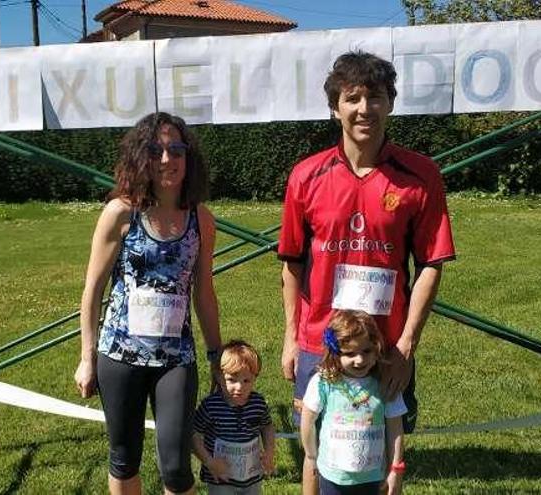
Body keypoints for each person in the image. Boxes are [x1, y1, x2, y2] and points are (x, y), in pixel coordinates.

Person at [277, 51, 455, 492]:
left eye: (374, 97)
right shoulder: (305, 175)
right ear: (335, 106)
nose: (364, 109)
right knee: (316, 450)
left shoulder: (420, 175)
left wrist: (406, 344)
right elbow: (292, 264)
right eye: (352, 97)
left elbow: (431, 263)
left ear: (390, 103)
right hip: (320, 343)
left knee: (383, 455)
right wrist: (291, 338)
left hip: (385, 350)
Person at [74, 112, 222, 495]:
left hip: (176, 359)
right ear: (142, 156)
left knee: (175, 466)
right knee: (124, 459)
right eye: (156, 150)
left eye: (176, 150)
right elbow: (92, 292)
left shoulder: (201, 220)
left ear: (188, 158)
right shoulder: (121, 213)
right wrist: (87, 356)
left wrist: (215, 355)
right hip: (119, 356)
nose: (166, 160)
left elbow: (204, 292)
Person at [300, 310, 405, 495]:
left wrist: (395, 467)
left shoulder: (384, 384)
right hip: (333, 477)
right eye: (350, 353)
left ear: (376, 347)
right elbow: (308, 420)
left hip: (372, 478)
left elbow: (395, 428)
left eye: (366, 351)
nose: (360, 360)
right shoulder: (324, 382)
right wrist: (311, 455)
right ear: (336, 353)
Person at [192, 340, 276, 494]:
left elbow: (267, 426)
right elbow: (194, 435)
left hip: (252, 477)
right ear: (219, 376)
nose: (239, 387)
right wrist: (209, 462)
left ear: (255, 378)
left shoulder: (257, 403)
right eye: (231, 379)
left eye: (246, 380)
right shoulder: (210, 406)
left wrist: (269, 451)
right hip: (220, 479)